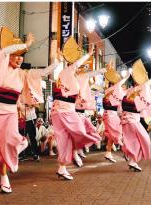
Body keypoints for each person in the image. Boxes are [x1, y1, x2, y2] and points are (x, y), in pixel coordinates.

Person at [0, 28, 62, 193]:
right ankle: (4, 178)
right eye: (16, 55)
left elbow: (43, 72)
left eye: (22, 55)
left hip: (10, 111)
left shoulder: (23, 74)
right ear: (9, 56)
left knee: (11, 139)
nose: (19, 59)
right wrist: (25, 44)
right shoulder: (1, 67)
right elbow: (4, 51)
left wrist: (57, 62)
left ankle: (19, 146)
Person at [52, 42, 100, 180]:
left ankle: (62, 168)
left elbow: (87, 74)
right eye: (80, 67)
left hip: (60, 111)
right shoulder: (67, 72)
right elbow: (75, 65)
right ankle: (77, 149)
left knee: (65, 139)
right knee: (80, 132)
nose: (80, 69)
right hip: (65, 111)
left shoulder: (70, 77)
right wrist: (89, 54)